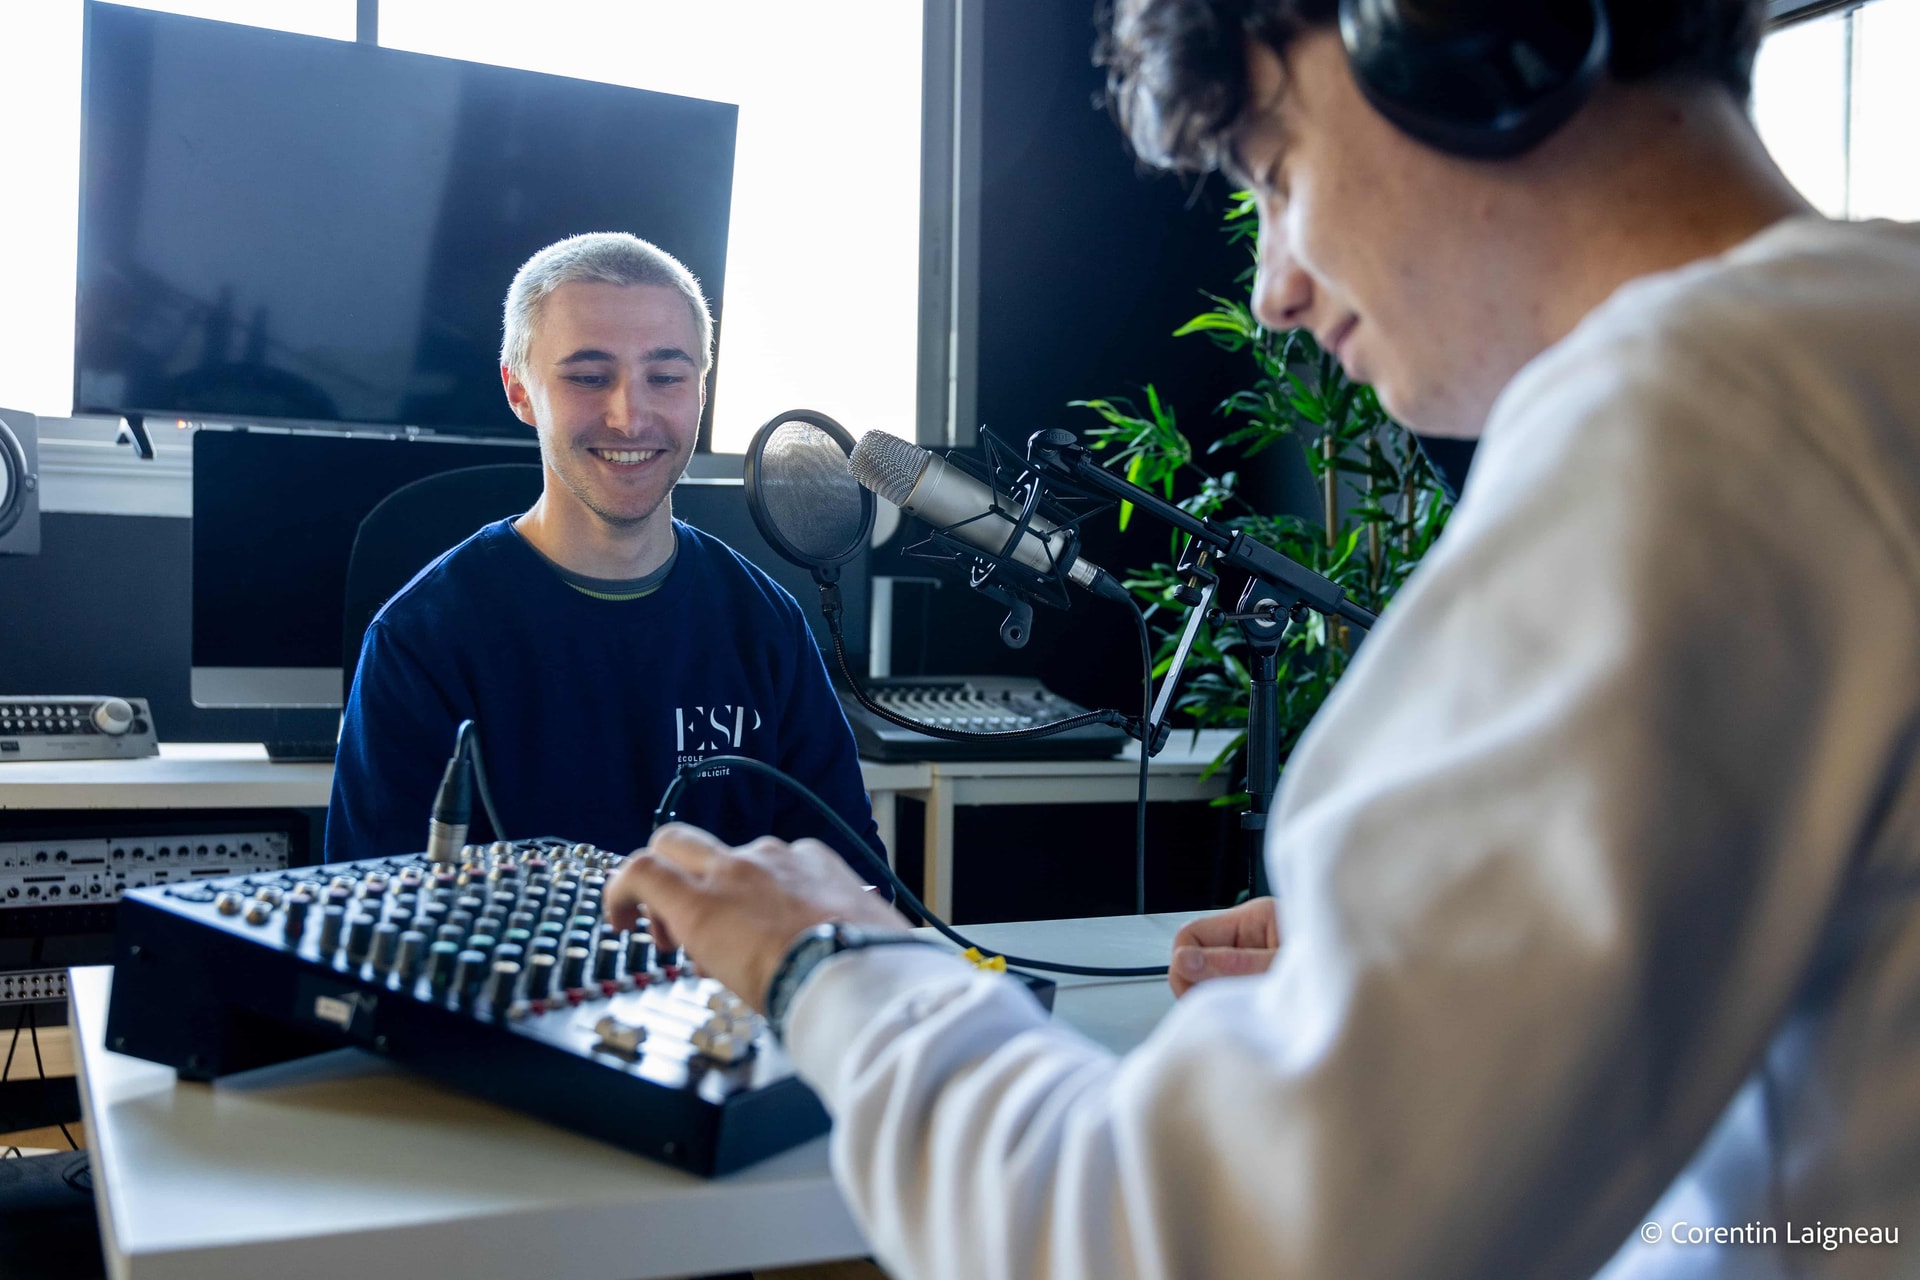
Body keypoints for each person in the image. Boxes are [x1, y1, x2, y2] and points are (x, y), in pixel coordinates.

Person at [604, 1, 1920, 1276]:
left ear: (1447, 30)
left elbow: (1165, 1245)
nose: (1274, 288)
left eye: (1276, 174)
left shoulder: (1696, 433)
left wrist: (828, 964)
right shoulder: (1865, 356)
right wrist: (1439, 960)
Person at [327, 233, 880, 872]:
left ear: (701, 390)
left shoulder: (766, 624)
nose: (630, 416)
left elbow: (855, 884)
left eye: (667, 377)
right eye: (590, 377)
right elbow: (377, 919)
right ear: (519, 391)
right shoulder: (421, 640)